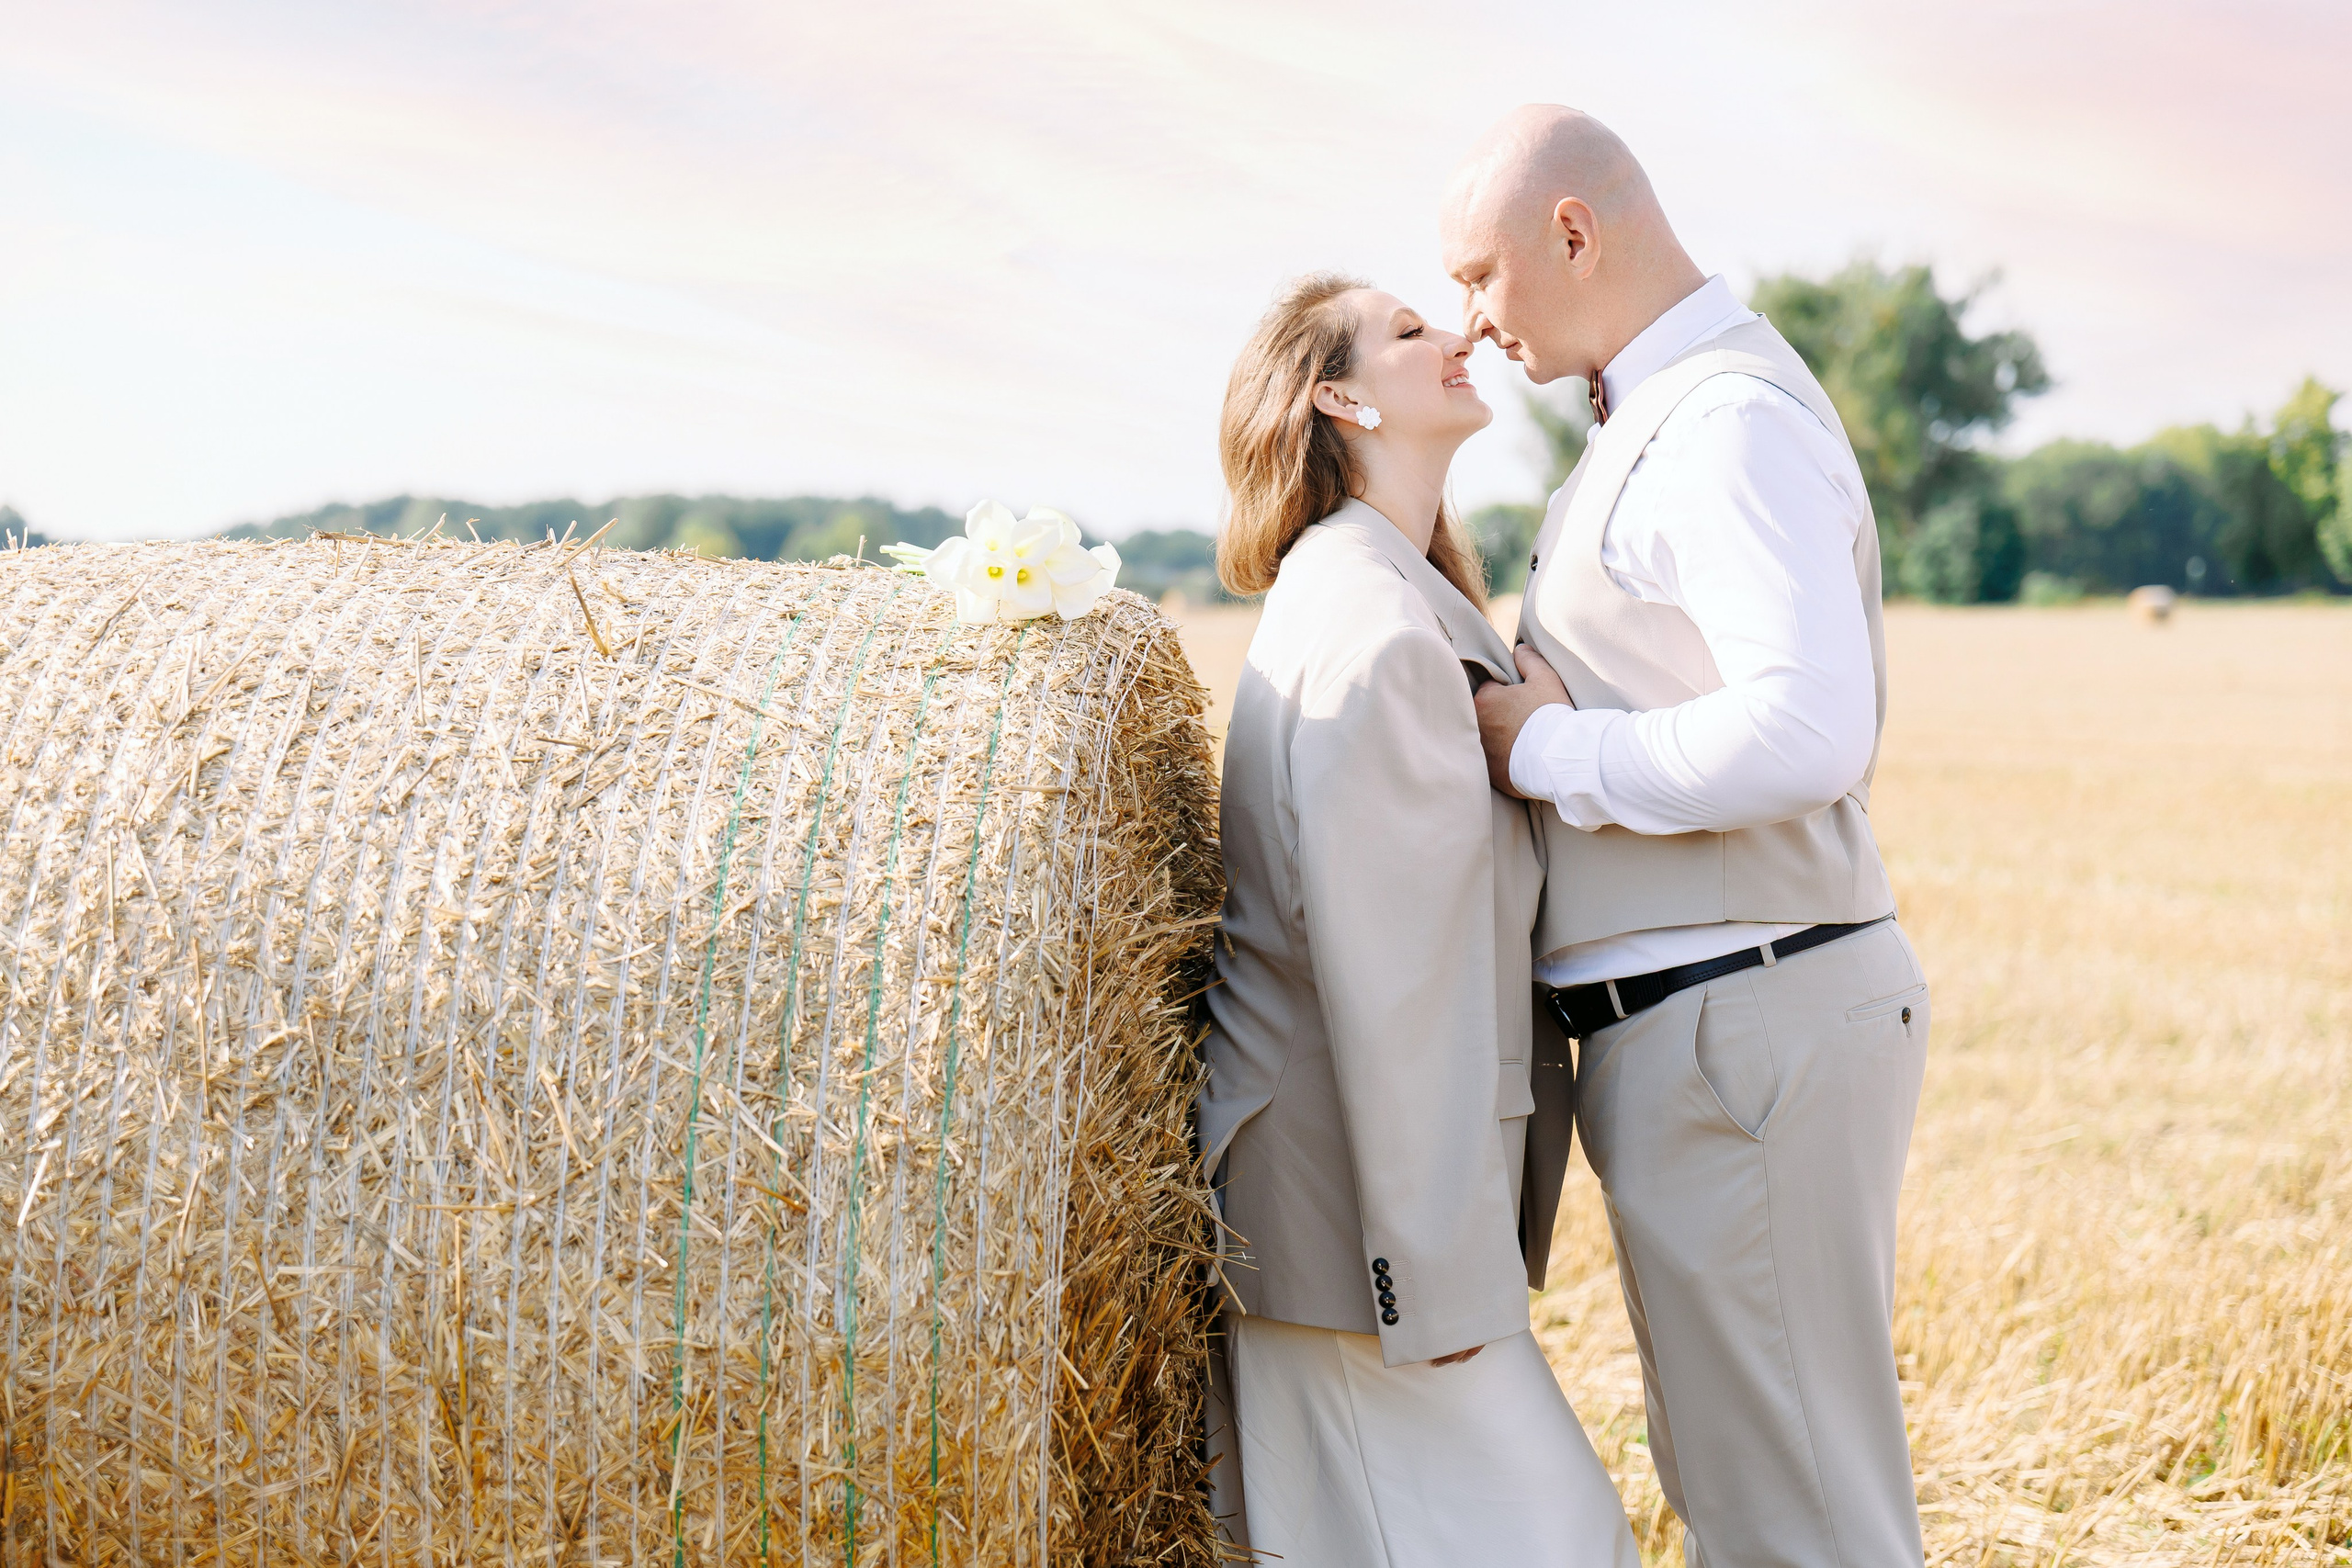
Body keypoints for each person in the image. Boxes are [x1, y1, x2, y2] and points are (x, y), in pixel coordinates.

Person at [1442, 105, 1932, 1568]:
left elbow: (1806, 726)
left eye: (1479, 277)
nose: (1469, 323)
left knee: (1804, 1524)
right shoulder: (1666, 412)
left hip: (1744, 1022)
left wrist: (1549, 750)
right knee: (1752, 1500)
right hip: (1717, 1027)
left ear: (1575, 233)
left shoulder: (1720, 424)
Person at [1196, 272, 1638, 1568]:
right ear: (1335, 397)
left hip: (1326, 1202)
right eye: (1408, 331)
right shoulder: (1380, 624)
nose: (1458, 338)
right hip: (1350, 1218)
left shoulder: (1379, 592)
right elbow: (1400, 987)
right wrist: (1425, 1275)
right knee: (1559, 1539)